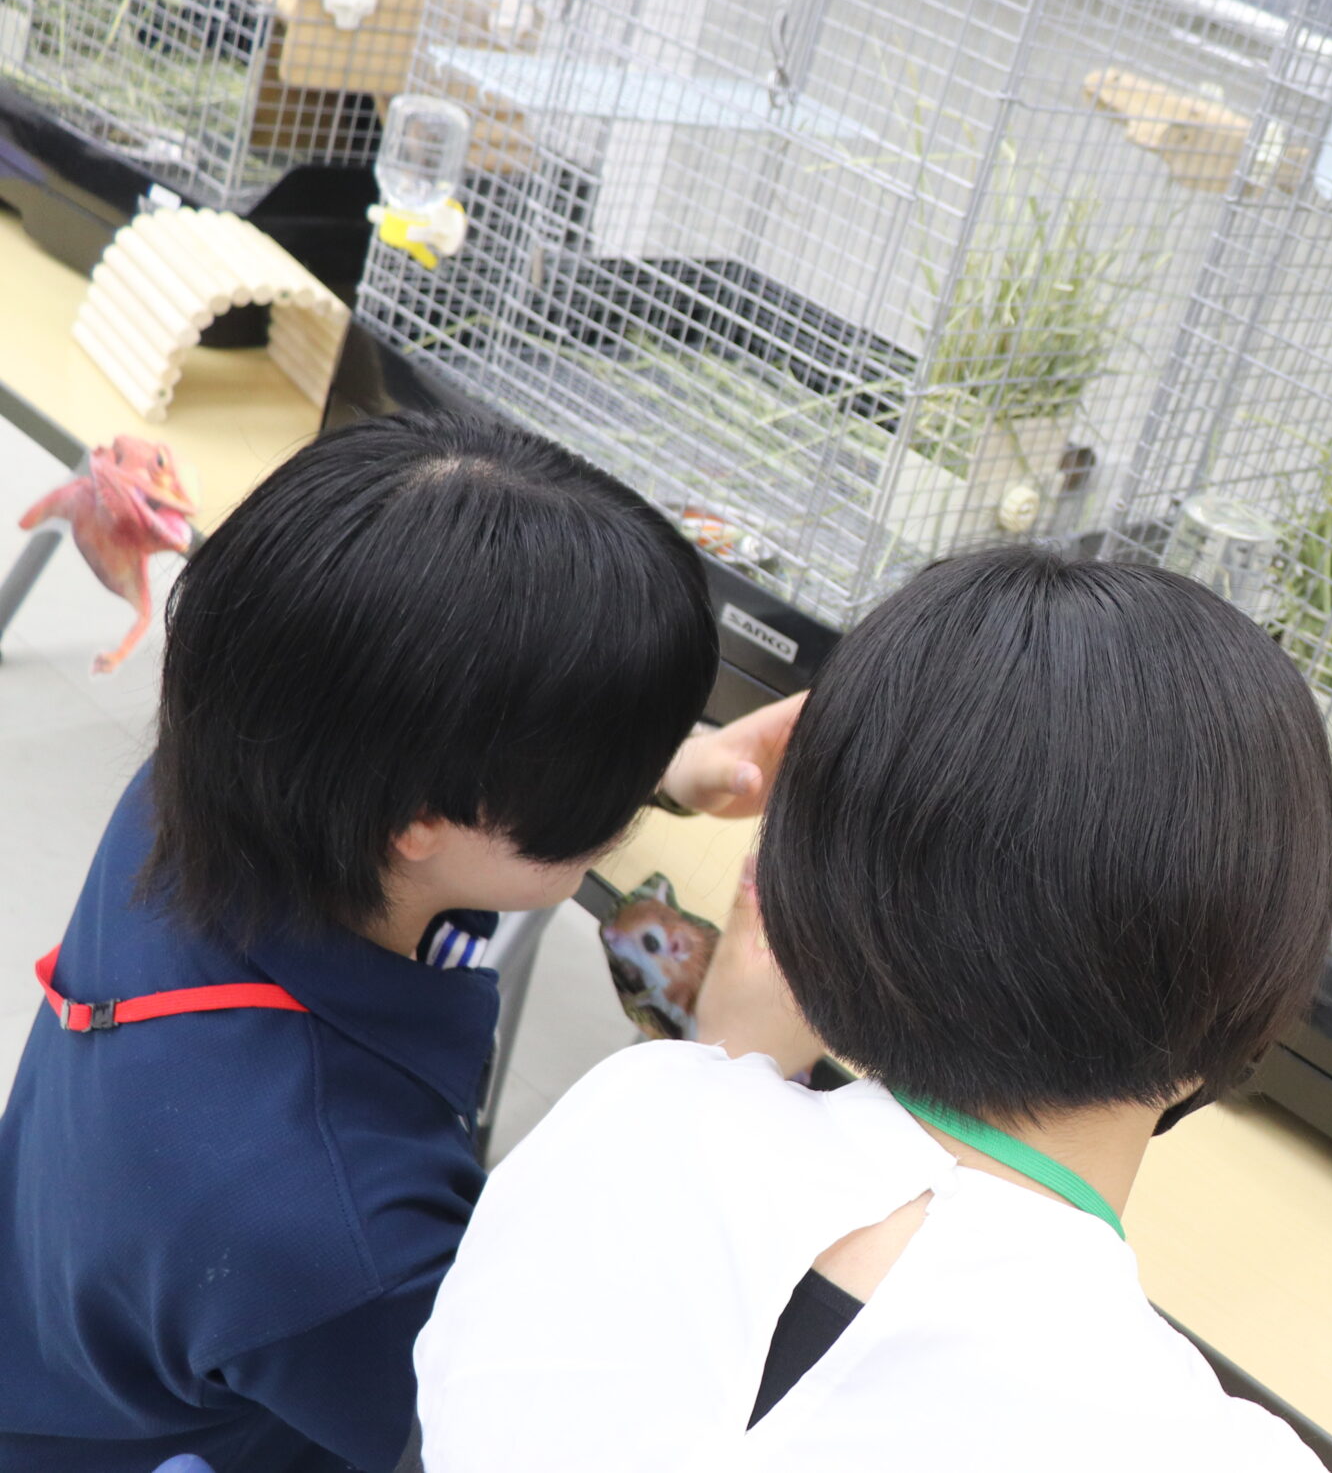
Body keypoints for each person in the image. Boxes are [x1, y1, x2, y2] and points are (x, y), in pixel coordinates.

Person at [414, 546, 1332, 1471]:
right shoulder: (1209, 1449)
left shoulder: (630, 1113)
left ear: (806, 881)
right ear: (1258, 970)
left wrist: (730, 1066)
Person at [0, 412, 803, 1473]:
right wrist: (737, 1074)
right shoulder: (341, 1237)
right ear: (416, 822)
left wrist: (663, 766)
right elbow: (541, 1438)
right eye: (603, 777)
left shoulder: (210, 787)